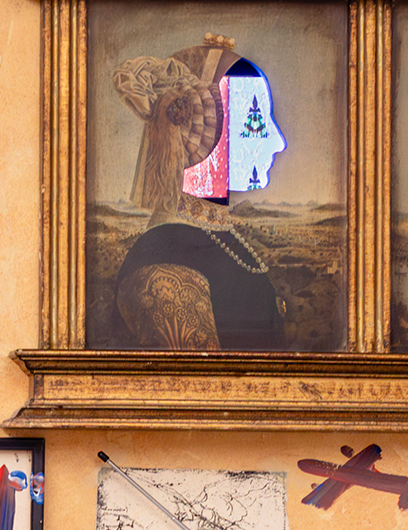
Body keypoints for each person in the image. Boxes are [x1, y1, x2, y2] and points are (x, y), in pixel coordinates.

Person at [110, 36, 287, 351]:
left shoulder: (221, 237)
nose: (278, 142)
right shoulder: (165, 265)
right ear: (197, 130)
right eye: (255, 121)